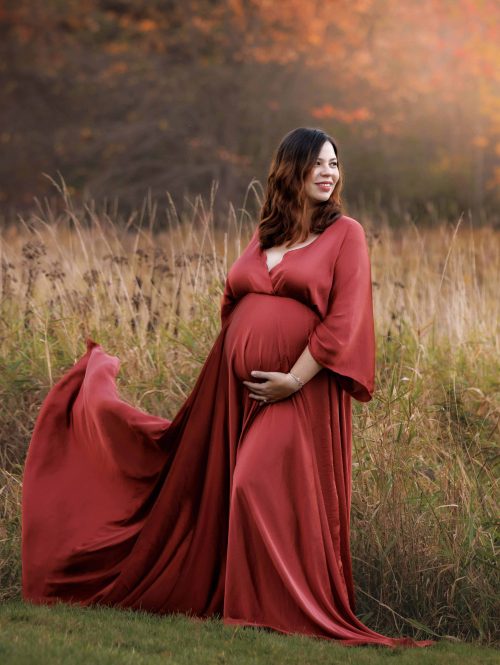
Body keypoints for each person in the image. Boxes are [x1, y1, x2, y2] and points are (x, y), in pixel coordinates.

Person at [21, 127, 437, 648]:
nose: (330, 173)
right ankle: (243, 603)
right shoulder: (266, 233)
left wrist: (293, 378)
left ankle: (276, 610)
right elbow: (234, 300)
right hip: (233, 389)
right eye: (319, 164)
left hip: (299, 389)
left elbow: (344, 320)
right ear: (292, 170)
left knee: (252, 483)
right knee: (199, 478)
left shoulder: (345, 234)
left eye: (335, 164)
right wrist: (240, 351)